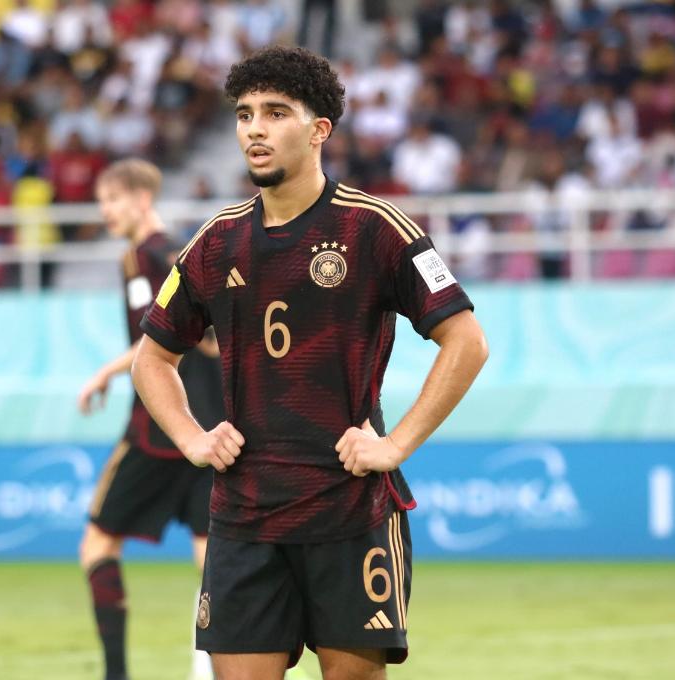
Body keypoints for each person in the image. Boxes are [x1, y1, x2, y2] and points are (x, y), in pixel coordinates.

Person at [133, 46, 489, 680]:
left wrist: (397, 444)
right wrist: (191, 437)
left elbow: (467, 341)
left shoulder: (376, 228)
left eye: (275, 113)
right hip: (244, 512)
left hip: (349, 509)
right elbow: (152, 359)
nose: (255, 130)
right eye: (244, 115)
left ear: (319, 129)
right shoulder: (215, 242)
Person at [77, 158, 224, 680]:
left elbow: (160, 337)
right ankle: (213, 672)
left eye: (112, 201)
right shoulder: (180, 254)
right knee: (213, 562)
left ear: (142, 199)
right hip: (212, 430)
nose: (106, 211)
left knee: (97, 546)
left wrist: (105, 372)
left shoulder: (148, 257)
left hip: (160, 426)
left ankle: (116, 675)